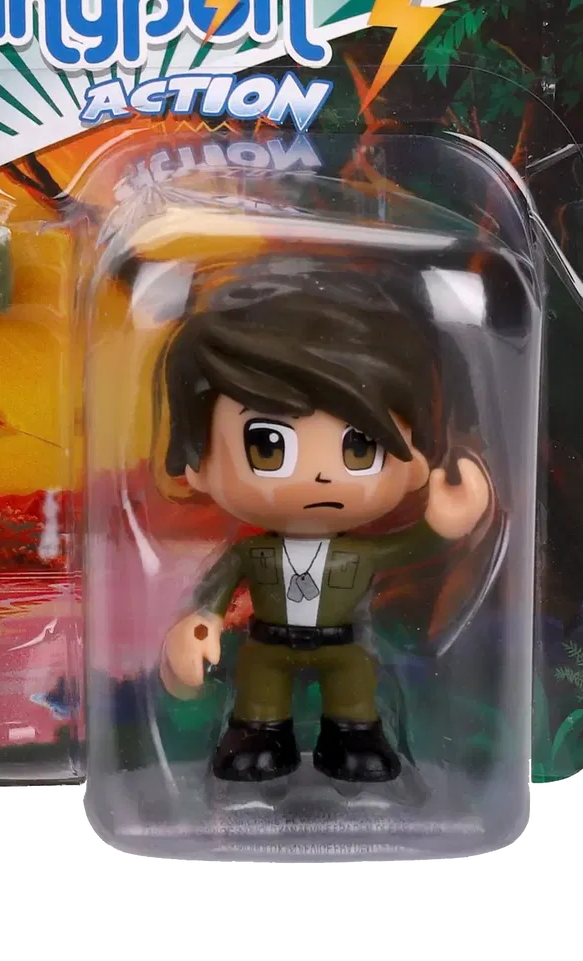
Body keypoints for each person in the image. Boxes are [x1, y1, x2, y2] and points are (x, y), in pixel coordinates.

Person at [158, 263, 491, 783]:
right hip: (268, 646)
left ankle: (354, 735)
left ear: (413, 468)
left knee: (354, 688)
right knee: (260, 692)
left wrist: (445, 524)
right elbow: (211, 598)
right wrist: (197, 630)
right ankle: (258, 733)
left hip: (343, 646)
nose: (319, 476)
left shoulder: (362, 553)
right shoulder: (250, 555)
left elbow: (409, 547)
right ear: (199, 466)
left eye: (359, 448)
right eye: (267, 447)